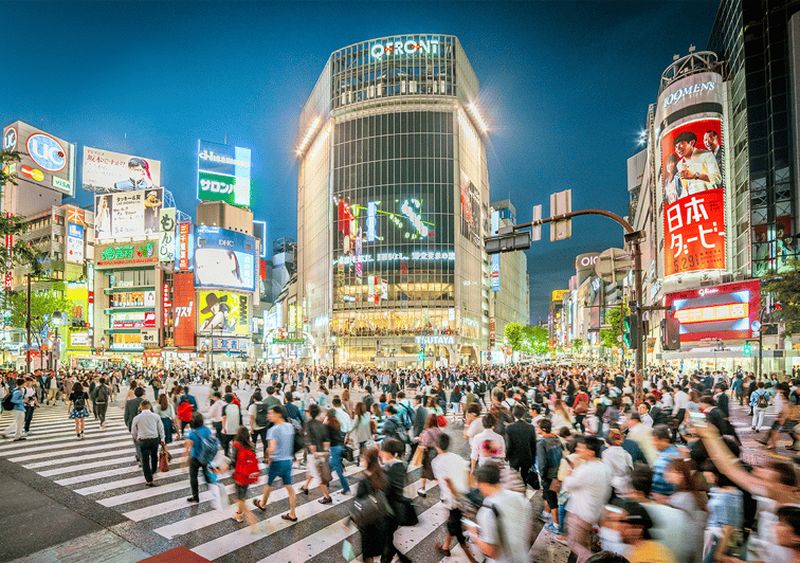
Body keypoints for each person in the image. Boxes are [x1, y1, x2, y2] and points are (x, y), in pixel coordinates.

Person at [465, 462, 533, 563]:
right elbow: (528, 531)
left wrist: (473, 534)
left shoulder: (487, 512)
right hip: (523, 558)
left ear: (483, 484)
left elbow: (491, 552)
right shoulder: (520, 498)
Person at [562, 435, 612, 563]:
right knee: (584, 544)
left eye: (581, 448)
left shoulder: (586, 469)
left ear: (591, 452)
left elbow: (567, 485)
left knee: (574, 543)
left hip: (579, 514)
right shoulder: (604, 467)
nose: (577, 450)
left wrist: (570, 470)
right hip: (593, 513)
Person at [432, 433, 478, 563]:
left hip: (454, 500)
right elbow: (468, 471)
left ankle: (472, 559)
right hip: (463, 495)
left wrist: (457, 497)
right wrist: (469, 489)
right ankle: (445, 547)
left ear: (436, 445)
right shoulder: (456, 457)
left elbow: (447, 481)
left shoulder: (437, 462)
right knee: (453, 522)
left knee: (456, 527)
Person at [253, 406, 298, 522]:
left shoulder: (273, 430)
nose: (268, 416)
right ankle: (292, 513)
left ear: (278, 414)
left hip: (277, 461)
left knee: (268, 484)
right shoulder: (289, 426)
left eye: (271, 413)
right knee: (289, 488)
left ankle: (263, 504)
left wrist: (268, 454)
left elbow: (271, 448)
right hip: (288, 461)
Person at [379, 438, 412, 563]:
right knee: (388, 537)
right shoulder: (401, 465)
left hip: (388, 510)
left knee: (386, 538)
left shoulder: (388, 468)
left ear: (388, 452)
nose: (381, 452)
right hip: (396, 509)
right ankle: (390, 554)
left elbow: (383, 488)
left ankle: (388, 558)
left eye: (383, 450)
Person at [354, 447, 390, 563]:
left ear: (368, 460)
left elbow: (358, 503)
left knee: (368, 553)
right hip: (381, 521)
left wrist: (350, 519)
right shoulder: (384, 476)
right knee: (376, 549)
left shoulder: (364, 481)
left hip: (368, 523)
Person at [299, 404, 333, 503]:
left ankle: (327, 497)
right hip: (322, 452)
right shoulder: (322, 425)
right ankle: (305, 486)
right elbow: (326, 441)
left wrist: (315, 453)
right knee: (311, 471)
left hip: (313, 455)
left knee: (319, 477)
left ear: (309, 413)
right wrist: (324, 452)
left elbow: (310, 442)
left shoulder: (308, 424)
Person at [130, 400, 166, 487]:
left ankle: (149, 480)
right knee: (154, 456)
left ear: (141, 407)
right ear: (149, 407)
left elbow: (133, 431)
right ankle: (153, 471)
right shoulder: (156, 416)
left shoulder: (137, 418)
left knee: (145, 461)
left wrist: (136, 438)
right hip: (154, 439)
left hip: (143, 441)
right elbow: (161, 428)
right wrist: (162, 439)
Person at [229, 427, 260, 525]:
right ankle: (239, 513)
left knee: (239, 498)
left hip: (239, 475)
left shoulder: (236, 445)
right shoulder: (252, 445)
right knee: (242, 496)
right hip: (248, 475)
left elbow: (233, 461)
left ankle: (248, 516)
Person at [184, 411, 216, 503]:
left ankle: (195, 496)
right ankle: (214, 488)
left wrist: (184, 461)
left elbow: (187, 448)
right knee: (206, 473)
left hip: (195, 458)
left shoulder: (192, 434)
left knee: (193, 477)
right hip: (205, 457)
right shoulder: (207, 430)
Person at [505, 404, 537, 486]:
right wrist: (533, 458)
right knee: (524, 476)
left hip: (514, 457)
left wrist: (506, 456)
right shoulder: (530, 427)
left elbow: (509, 445)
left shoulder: (509, 427)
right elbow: (533, 444)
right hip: (527, 455)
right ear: (523, 413)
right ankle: (524, 488)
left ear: (513, 414)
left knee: (513, 477)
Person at [324, 407, 352, 497]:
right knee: (330, 465)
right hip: (339, 446)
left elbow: (326, 438)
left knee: (338, 470)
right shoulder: (336, 422)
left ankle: (346, 488)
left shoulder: (327, 424)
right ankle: (326, 480)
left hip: (334, 448)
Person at [650, 424, 679, 498]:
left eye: (654, 440)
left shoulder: (668, 457)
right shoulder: (672, 451)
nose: (652, 443)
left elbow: (658, 480)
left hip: (663, 496)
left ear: (664, 440)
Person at [416, 413, 441, 497]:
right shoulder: (438, 430)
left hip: (428, 454)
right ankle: (444, 492)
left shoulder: (427, 431)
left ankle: (422, 489)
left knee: (424, 472)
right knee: (437, 473)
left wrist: (420, 439)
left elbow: (424, 444)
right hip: (437, 454)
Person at [125, 387, 145, 459]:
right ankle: (141, 455)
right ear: (142, 393)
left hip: (133, 425)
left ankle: (139, 456)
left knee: (137, 442)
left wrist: (128, 425)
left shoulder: (129, 402)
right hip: (144, 425)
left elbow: (126, 416)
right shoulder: (145, 402)